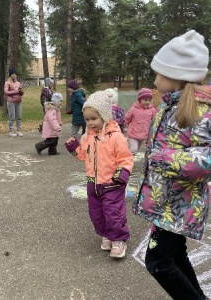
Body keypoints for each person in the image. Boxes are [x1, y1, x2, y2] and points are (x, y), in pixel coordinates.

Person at [133, 30, 210, 300]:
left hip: (181, 206)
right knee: (175, 257)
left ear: (177, 75)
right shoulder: (166, 107)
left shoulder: (201, 111)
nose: (154, 80)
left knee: (158, 262)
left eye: (159, 73)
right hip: (164, 204)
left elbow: (207, 157)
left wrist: (165, 159)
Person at [65, 90, 134, 258]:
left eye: (94, 119)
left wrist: (121, 175)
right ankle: (107, 234)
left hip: (112, 183)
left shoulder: (115, 137)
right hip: (93, 183)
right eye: (87, 119)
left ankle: (118, 239)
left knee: (113, 213)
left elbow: (126, 158)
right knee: (96, 213)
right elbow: (83, 155)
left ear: (104, 116)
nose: (90, 123)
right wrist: (74, 147)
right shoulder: (87, 137)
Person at [125, 87, 156, 154]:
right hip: (133, 134)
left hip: (143, 135)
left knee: (136, 150)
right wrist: (124, 124)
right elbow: (127, 117)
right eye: (145, 100)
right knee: (133, 149)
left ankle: (129, 158)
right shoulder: (134, 109)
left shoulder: (152, 110)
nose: (147, 102)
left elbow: (155, 119)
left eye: (149, 100)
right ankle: (127, 160)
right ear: (140, 100)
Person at [4, 68, 24, 137]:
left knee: (19, 117)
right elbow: (6, 92)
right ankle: (11, 131)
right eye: (13, 74)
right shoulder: (7, 83)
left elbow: (21, 92)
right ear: (10, 75)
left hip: (18, 101)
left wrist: (21, 92)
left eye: (15, 74)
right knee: (12, 117)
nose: (14, 75)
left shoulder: (18, 83)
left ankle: (18, 131)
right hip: (11, 102)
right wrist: (16, 92)